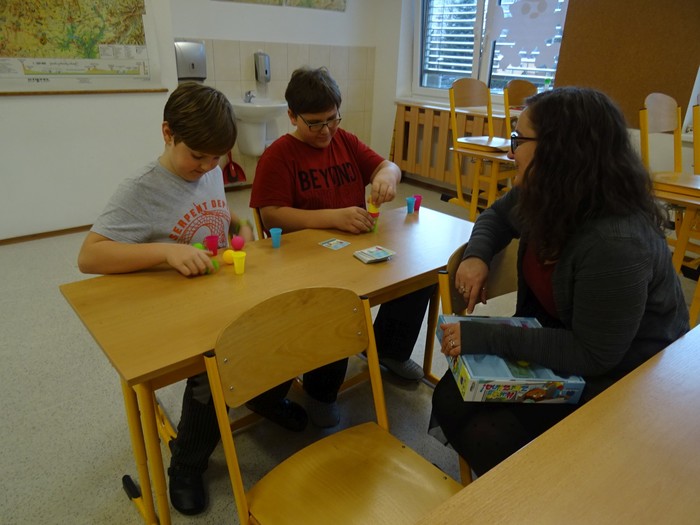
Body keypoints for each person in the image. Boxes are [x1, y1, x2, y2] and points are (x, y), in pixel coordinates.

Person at [431, 87, 689, 478]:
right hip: (562, 337)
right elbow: (496, 216)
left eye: (518, 140)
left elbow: (594, 355)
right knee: (451, 396)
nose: (510, 152)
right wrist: (476, 256)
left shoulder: (615, 242)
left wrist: (488, 336)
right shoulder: (549, 191)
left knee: (492, 433)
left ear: (559, 151)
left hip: (629, 378)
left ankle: (548, 494)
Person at [77, 82, 254, 516]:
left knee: (270, 327)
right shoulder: (142, 189)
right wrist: (164, 251)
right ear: (167, 133)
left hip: (215, 296)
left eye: (216, 158)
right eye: (197, 156)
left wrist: (237, 224)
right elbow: (89, 256)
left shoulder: (209, 168)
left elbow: (213, 208)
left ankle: (264, 397)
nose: (207, 167)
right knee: (213, 372)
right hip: (175, 316)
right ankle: (187, 465)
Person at [248, 66, 433, 429]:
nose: (326, 131)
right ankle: (321, 391)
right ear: (292, 116)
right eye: (315, 123)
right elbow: (271, 215)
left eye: (332, 119)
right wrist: (333, 217)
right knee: (337, 303)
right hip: (306, 260)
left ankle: (389, 350)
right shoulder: (279, 154)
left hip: (355, 251)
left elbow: (388, 166)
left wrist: (386, 177)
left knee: (419, 273)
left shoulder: (344, 141)